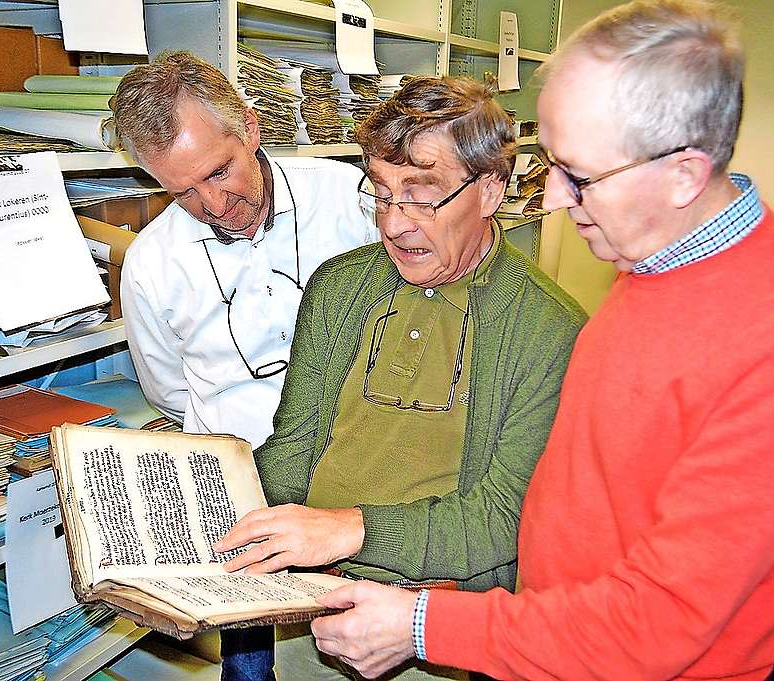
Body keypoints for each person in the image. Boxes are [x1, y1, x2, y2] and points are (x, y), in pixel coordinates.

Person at [308, 2, 774, 680]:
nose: (551, 199)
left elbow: (659, 624)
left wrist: (428, 625)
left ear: (684, 174)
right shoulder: (656, 260)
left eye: (579, 176)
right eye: (550, 163)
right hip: (555, 645)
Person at [214, 75, 586, 679]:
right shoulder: (339, 287)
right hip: (303, 607)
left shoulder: (549, 330)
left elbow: (503, 519)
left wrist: (349, 531)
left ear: (490, 191)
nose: (393, 224)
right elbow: (295, 447)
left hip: (432, 631)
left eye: (422, 196)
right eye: (382, 194)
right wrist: (207, 519)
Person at [112, 51, 379, 681]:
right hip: (241, 504)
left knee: (365, 649)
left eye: (219, 171)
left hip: (364, 479)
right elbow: (171, 392)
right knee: (255, 671)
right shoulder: (152, 264)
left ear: (251, 129)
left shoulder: (353, 202)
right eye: (181, 191)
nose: (211, 202)